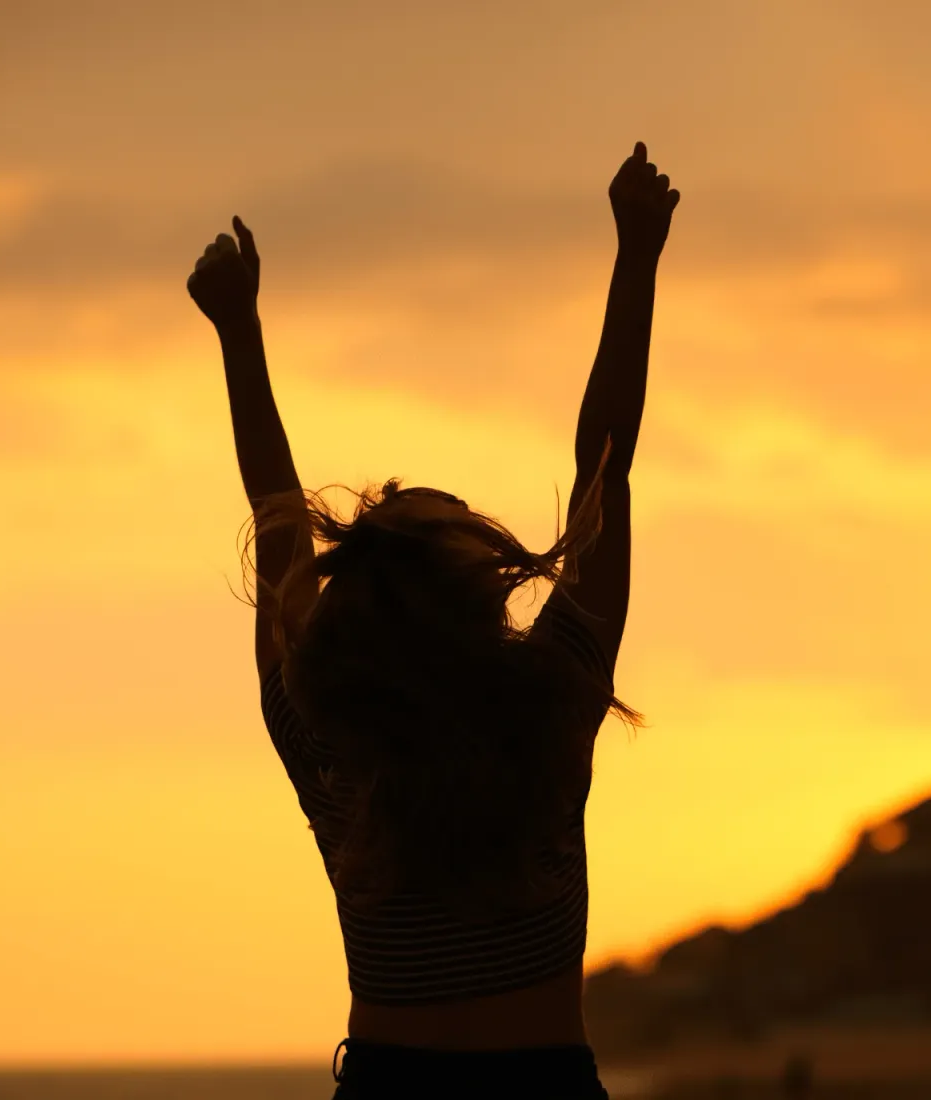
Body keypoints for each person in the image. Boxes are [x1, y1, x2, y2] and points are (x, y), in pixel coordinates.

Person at [186, 142, 680, 1099]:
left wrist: (239, 333)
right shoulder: (550, 704)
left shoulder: (326, 740)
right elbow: (605, 464)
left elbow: (279, 521)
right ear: (477, 581)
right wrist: (637, 254)